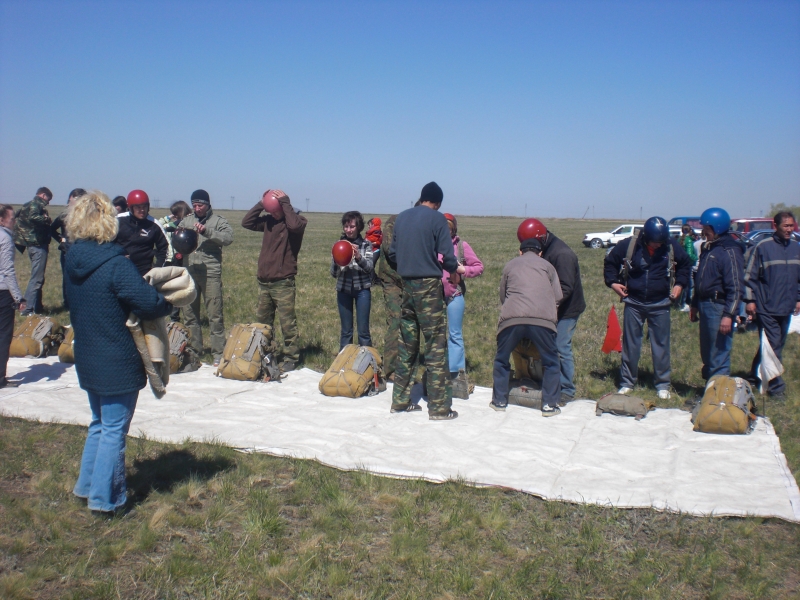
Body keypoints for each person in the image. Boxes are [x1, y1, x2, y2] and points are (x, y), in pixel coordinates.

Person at [65, 192, 172, 514]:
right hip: (116, 359)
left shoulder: (72, 260)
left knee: (99, 423)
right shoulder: (115, 264)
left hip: (87, 355)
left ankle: (86, 487)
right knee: (114, 430)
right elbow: (148, 303)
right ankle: (106, 500)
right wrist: (166, 301)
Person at [387, 182, 465, 420]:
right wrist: (454, 270)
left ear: (421, 198)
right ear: (438, 203)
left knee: (407, 345)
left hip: (407, 287)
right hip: (429, 288)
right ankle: (439, 408)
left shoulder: (402, 217)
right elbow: (448, 255)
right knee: (435, 346)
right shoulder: (437, 219)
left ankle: (400, 401)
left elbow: (392, 253)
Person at [604, 216, 692, 399]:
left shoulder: (670, 246)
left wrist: (679, 285)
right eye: (655, 242)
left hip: (660, 303)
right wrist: (612, 282)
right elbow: (610, 262)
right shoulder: (630, 245)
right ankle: (627, 382)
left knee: (661, 345)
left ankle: (662, 384)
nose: (658, 245)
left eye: (661, 242)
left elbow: (685, 264)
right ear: (646, 237)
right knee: (631, 344)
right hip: (633, 302)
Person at [491, 237, 563, 415]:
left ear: (520, 251)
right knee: (551, 362)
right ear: (540, 253)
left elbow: (503, 295)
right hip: (542, 321)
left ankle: (499, 401)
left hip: (512, 319)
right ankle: (549, 405)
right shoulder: (548, 266)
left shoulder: (510, 265)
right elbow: (558, 296)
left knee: (501, 359)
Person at [241, 189, 307, 372]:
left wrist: (285, 203)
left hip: (283, 282)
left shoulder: (298, 221)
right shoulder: (268, 222)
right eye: (271, 211)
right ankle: (265, 354)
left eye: (276, 211)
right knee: (262, 322)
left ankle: (291, 357)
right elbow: (246, 222)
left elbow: (294, 226)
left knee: (287, 323)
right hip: (264, 281)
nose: (274, 214)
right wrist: (262, 204)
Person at [744, 211, 800, 398]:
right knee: (773, 345)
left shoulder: (796, 247)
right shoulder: (763, 247)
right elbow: (749, 277)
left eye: (792, 226)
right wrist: (750, 300)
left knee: (773, 344)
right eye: (786, 226)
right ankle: (776, 388)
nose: (789, 230)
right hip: (766, 306)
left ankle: (754, 375)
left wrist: (798, 298)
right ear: (775, 226)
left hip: (787, 306)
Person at [529, 219, 586, 402]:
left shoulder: (562, 254)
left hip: (566, 310)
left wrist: (547, 305)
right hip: (550, 308)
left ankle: (566, 389)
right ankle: (548, 381)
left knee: (561, 348)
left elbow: (565, 288)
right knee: (547, 347)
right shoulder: (544, 250)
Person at [689, 208, 745, 382]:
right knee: (707, 351)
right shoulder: (709, 248)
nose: (704, 232)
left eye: (707, 229)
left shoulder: (730, 251)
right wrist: (694, 304)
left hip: (719, 307)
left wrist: (729, 314)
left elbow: (736, 286)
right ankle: (709, 386)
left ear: (718, 227)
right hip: (705, 304)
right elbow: (701, 279)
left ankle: (718, 390)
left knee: (718, 352)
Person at [179, 190, 234, 367]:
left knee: (215, 314)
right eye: (194, 205)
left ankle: (218, 352)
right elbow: (177, 237)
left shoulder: (218, 221)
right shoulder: (187, 221)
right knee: (189, 314)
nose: (197, 208)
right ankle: (194, 351)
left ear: (208, 204)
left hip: (210, 273)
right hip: (190, 271)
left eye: (200, 205)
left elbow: (228, 238)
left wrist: (208, 231)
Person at [440, 213, 483, 398]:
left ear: (454, 229)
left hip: (454, 295)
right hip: (433, 297)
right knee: (436, 335)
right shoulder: (430, 245)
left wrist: (463, 270)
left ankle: (456, 375)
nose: (445, 232)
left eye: (448, 228)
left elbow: (479, 266)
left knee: (455, 334)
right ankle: (438, 373)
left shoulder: (461, 246)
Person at [331, 211, 374, 349]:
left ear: (358, 227)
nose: (348, 230)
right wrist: (337, 260)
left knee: (363, 331)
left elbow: (369, 268)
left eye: (352, 227)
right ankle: (344, 359)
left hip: (362, 291)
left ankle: (367, 358)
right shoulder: (338, 245)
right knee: (346, 331)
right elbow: (333, 273)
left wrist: (358, 257)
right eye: (346, 226)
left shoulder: (366, 244)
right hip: (344, 290)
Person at [14, 186, 53, 315]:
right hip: (38, 245)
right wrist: (46, 219)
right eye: (48, 199)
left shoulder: (26, 205)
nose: (48, 202)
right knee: (36, 279)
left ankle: (37, 306)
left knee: (38, 277)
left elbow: (17, 218)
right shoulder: (36, 205)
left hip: (30, 245)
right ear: (43, 195)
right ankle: (27, 309)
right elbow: (33, 217)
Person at [0, 205, 26, 388]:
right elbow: (8, 270)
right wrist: (18, 298)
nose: (14, 222)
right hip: (2, 292)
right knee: (3, 335)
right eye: (11, 219)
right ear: (2, 220)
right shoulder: (5, 238)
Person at [114, 190, 168, 277]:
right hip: (120, 270)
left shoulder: (154, 225)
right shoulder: (117, 221)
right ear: (131, 207)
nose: (142, 210)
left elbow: (164, 248)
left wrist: (157, 270)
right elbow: (106, 244)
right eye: (138, 207)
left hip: (144, 273)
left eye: (144, 207)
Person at [51, 188, 87, 309]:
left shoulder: (87, 216)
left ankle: (81, 301)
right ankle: (68, 303)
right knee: (67, 278)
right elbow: (52, 229)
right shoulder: (64, 215)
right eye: (73, 199)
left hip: (83, 251)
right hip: (67, 250)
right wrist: (61, 239)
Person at [377, 214, 402, 380]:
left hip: (412, 279)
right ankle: (391, 369)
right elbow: (389, 249)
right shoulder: (394, 222)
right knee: (396, 320)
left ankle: (407, 365)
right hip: (392, 278)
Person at [158, 200, 192, 322]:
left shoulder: (186, 224)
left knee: (178, 288)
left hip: (180, 259)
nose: (175, 217)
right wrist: (168, 217)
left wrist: (177, 220)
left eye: (177, 214)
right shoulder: (173, 223)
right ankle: (169, 315)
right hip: (169, 259)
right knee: (168, 289)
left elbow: (167, 227)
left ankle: (175, 317)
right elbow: (159, 225)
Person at [679, 225, 698, 311]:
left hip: (680, 263)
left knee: (681, 283)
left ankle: (679, 302)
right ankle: (684, 303)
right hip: (687, 264)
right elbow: (689, 254)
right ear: (690, 231)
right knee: (688, 285)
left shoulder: (679, 239)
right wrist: (696, 258)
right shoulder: (689, 240)